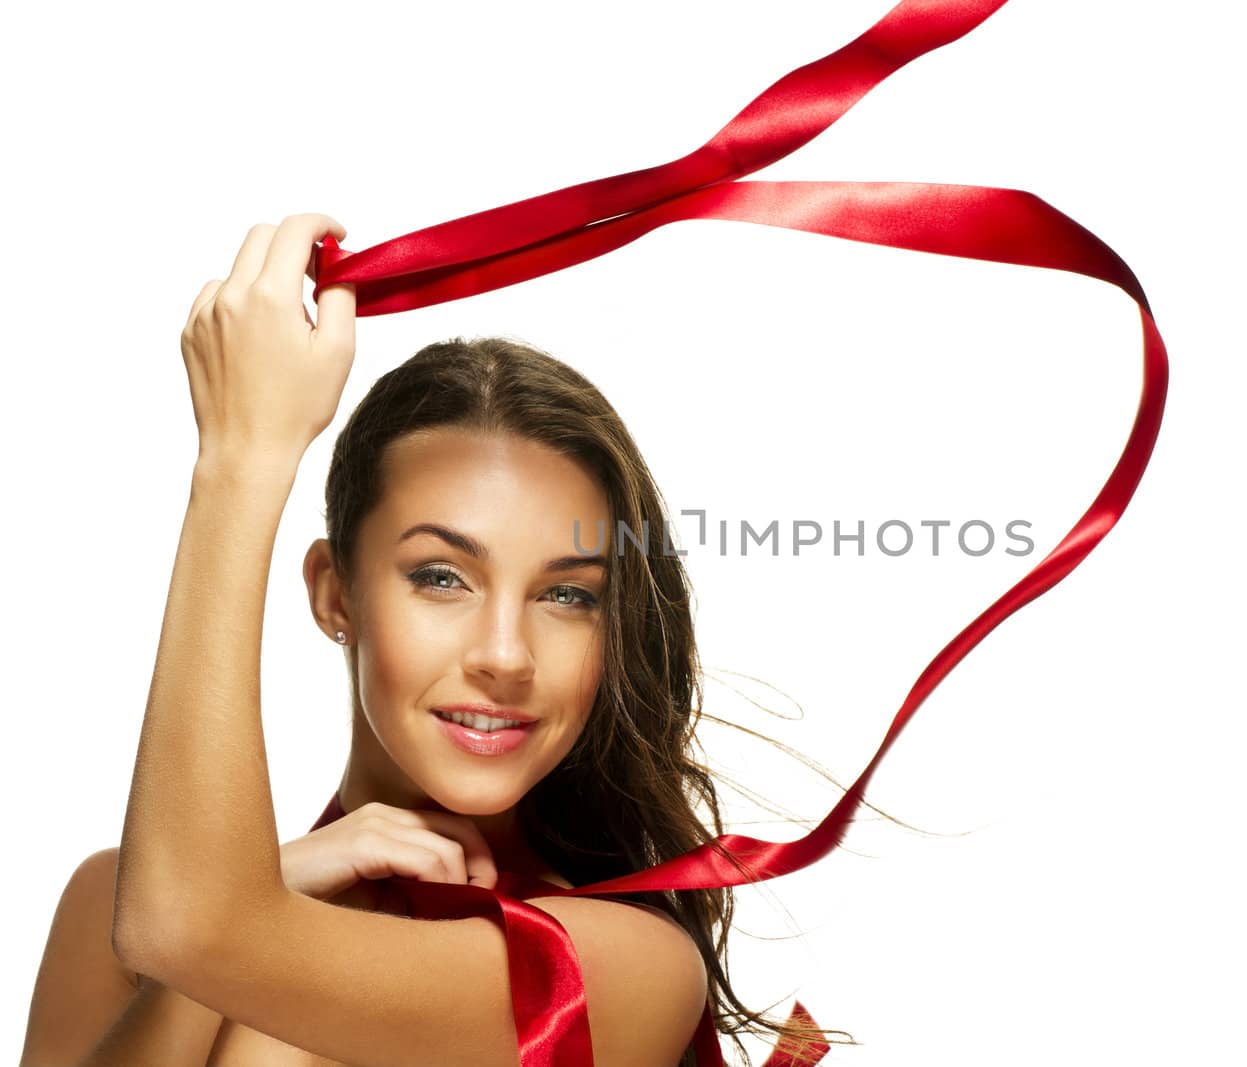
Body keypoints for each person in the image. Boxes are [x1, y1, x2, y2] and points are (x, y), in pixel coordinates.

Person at [20, 214, 849, 1067]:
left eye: (567, 594)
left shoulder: (613, 966)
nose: (506, 654)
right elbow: (188, 923)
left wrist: (244, 456)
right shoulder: (111, 907)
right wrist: (288, 875)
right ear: (334, 592)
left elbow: (196, 927)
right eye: (442, 576)